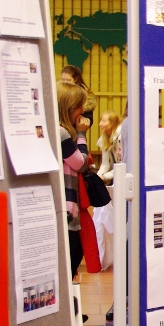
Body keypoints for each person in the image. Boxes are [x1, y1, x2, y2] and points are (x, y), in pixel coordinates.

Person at [58, 81, 92, 280]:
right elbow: (80, 163)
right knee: (70, 263)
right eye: (80, 106)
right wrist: (81, 135)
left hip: (66, 209)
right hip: (68, 210)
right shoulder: (62, 134)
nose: (83, 111)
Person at [96, 111, 121, 185]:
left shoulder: (121, 137)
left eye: (103, 121)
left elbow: (123, 165)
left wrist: (105, 177)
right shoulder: (104, 139)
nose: (100, 124)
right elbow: (105, 164)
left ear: (112, 123)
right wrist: (98, 178)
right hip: (115, 176)